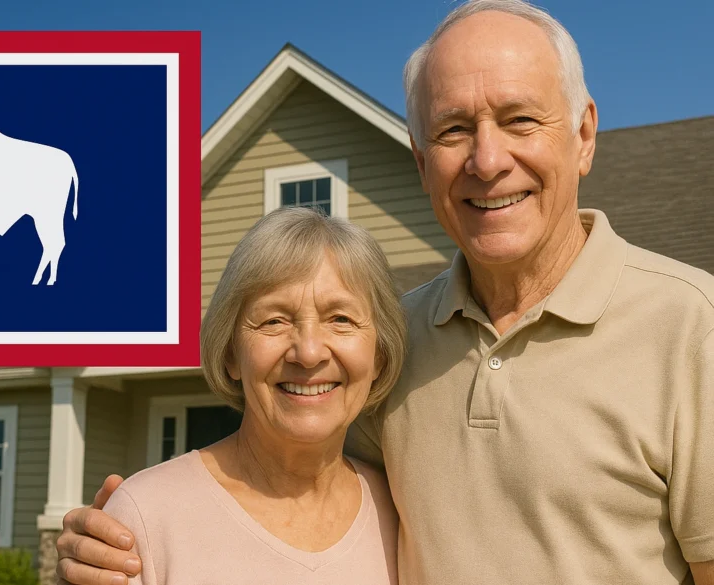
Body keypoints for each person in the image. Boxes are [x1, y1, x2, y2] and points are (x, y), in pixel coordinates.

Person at [54, 1, 714, 584]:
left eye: (518, 119)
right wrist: (109, 537)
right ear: (423, 164)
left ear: (583, 135)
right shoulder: (391, 344)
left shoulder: (690, 328)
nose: (487, 160)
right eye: (454, 130)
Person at [94, 206, 407, 584]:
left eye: (341, 319)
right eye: (274, 320)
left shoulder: (403, 512)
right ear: (231, 355)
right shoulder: (145, 516)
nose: (308, 353)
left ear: (379, 356)